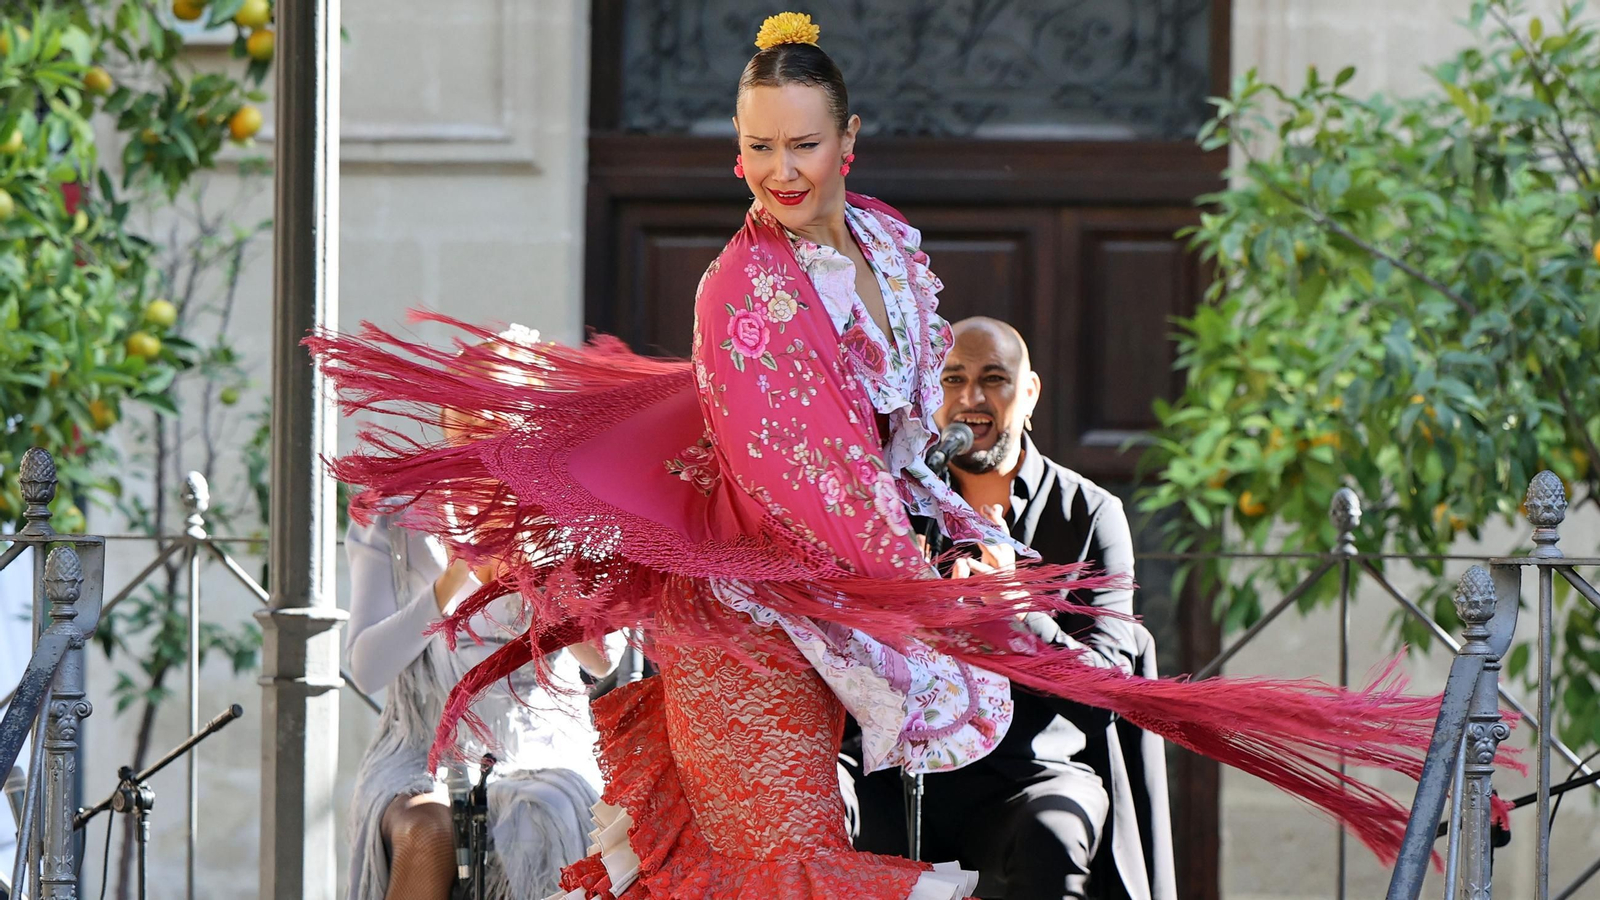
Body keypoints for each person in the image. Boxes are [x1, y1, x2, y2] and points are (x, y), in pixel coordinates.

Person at [311, 13, 1455, 900]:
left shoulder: (894, 253)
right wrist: (920, 583)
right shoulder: (737, 289)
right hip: (741, 607)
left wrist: (961, 540)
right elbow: (792, 479)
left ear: (848, 143)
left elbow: (903, 440)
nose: (777, 170)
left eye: (801, 144)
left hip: (846, 586)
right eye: (755, 147)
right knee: (775, 869)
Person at [842, 317, 1174, 900]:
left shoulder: (1090, 514)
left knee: (1055, 828)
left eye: (993, 379)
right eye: (953, 380)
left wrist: (1020, 611)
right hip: (895, 773)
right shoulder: (892, 505)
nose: (970, 399)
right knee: (806, 798)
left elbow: (1111, 689)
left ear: (1029, 392)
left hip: (1029, 774)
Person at [344, 336, 615, 900]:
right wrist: (452, 582)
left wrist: (540, 583)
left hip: (544, 747)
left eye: (497, 409)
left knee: (540, 813)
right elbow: (366, 670)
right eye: (465, 409)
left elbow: (605, 661)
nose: (479, 424)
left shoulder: (569, 511)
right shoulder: (397, 516)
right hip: (420, 751)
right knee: (426, 830)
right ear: (446, 416)